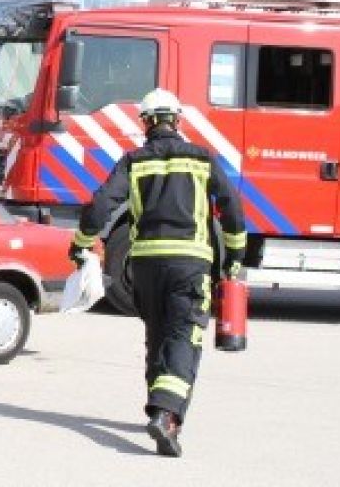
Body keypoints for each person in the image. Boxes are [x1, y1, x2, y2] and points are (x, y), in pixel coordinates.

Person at [70, 89, 246, 458]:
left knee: (157, 334)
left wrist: (81, 244)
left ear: (145, 123)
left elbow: (101, 205)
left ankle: (156, 404)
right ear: (177, 121)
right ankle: (166, 416)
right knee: (183, 337)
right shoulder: (202, 159)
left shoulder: (134, 161)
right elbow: (232, 210)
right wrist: (235, 257)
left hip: (146, 266)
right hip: (190, 263)